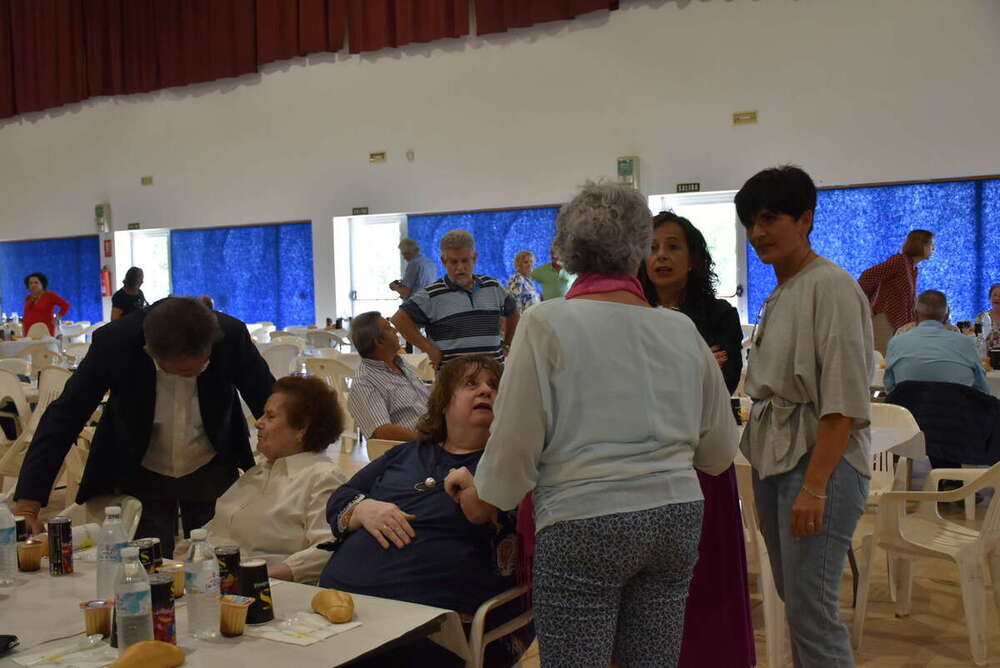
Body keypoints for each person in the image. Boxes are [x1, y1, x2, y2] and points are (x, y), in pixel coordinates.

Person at [474, 182, 738, 666]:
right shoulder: (680, 329)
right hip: (676, 517)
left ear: (569, 252)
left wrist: (487, 495)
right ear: (639, 248)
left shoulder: (545, 322)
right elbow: (720, 452)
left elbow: (514, 443)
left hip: (583, 518)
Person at [736, 166, 872, 667]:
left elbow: (844, 401)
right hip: (777, 463)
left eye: (771, 218)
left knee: (813, 614)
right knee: (800, 608)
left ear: (806, 219)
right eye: (751, 222)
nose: (758, 233)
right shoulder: (783, 290)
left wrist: (815, 485)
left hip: (820, 466)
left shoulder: (830, 286)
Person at [13, 297, 275, 555]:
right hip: (140, 463)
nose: (193, 375)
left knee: (217, 557)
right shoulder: (115, 342)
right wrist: (28, 504)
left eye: (201, 367)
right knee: (146, 563)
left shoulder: (230, 336)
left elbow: (270, 401)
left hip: (212, 460)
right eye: (181, 373)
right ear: (149, 351)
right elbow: (66, 415)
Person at [638, 210, 754, 667]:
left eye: (673, 246)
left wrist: (670, 372)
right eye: (652, 247)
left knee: (708, 571)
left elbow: (721, 385)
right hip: (644, 459)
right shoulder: (630, 314)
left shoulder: (719, 313)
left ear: (693, 259)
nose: (661, 256)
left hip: (703, 458)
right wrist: (695, 363)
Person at [319, 355, 514, 615]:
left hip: (422, 618)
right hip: (337, 602)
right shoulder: (407, 453)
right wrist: (364, 509)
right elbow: (339, 498)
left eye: (494, 385)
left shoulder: (507, 464)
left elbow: (504, 527)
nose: (485, 390)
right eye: (470, 383)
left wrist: (476, 493)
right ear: (443, 402)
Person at [175, 376, 346, 583]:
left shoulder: (321, 477)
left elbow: (327, 549)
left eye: (270, 416)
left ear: (302, 429)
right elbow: (214, 532)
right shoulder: (258, 472)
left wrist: (257, 577)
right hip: (210, 582)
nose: (258, 422)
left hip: (265, 593)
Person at [391, 229, 519, 367]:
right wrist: (429, 349)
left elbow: (513, 312)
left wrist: (507, 344)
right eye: (453, 262)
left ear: (474, 258)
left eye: (465, 261)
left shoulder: (493, 287)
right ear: (443, 261)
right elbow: (399, 320)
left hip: (493, 379)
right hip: (452, 382)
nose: (460, 268)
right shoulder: (431, 294)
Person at [884, 290, 990, 396]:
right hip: (956, 409)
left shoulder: (896, 342)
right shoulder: (967, 343)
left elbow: (890, 387)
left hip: (908, 409)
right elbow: (982, 389)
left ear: (914, 313)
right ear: (947, 316)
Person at [347, 311, 430, 442]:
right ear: (379, 341)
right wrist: (430, 439)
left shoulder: (400, 363)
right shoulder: (365, 383)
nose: (396, 330)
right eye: (389, 328)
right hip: (415, 450)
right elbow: (383, 431)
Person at [858, 229, 935, 354]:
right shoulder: (899, 261)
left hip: (899, 324)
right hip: (885, 320)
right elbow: (867, 276)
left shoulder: (913, 268)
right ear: (922, 245)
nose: (933, 248)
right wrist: (865, 303)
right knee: (882, 358)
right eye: (931, 244)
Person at [22, 272, 69, 336]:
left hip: (45, 330)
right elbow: (26, 315)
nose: (33, 285)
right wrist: (23, 331)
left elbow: (66, 305)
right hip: (29, 331)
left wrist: (57, 318)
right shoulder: (28, 298)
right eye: (30, 283)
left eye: (36, 282)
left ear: (42, 284)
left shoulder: (49, 295)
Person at [975, 283, 1000, 351]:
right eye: (994, 295)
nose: (997, 298)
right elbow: (976, 339)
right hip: (986, 357)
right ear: (990, 297)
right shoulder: (981, 317)